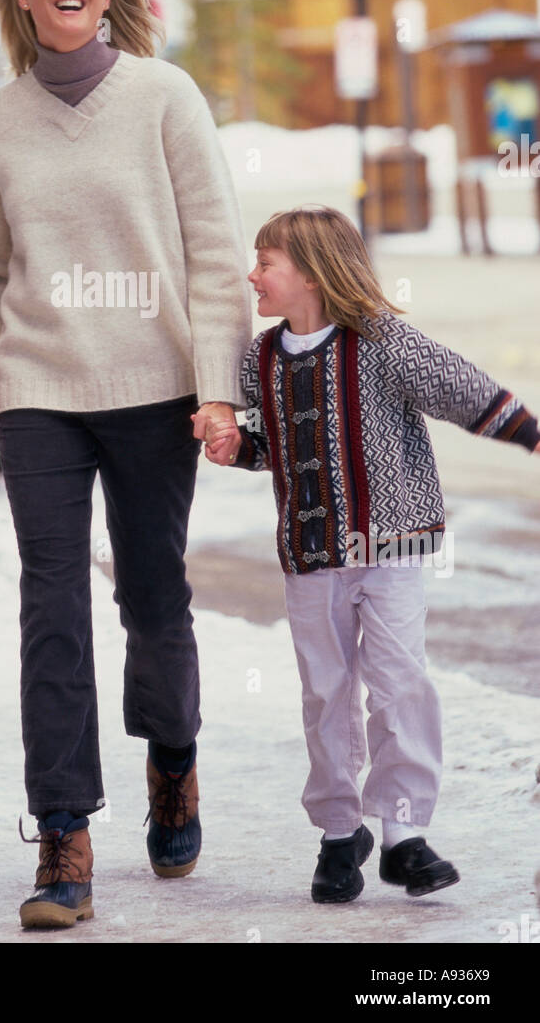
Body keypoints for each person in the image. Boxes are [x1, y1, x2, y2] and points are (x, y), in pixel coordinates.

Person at [0, 0, 252, 929]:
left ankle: (173, 760)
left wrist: (218, 386)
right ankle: (64, 833)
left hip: (157, 389)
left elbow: (214, 253)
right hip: (38, 395)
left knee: (154, 597)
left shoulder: (165, 97)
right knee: (51, 607)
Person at [205, 206, 540, 904]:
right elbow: (276, 447)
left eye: (266, 263)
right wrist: (240, 448)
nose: (252, 275)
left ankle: (403, 835)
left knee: (398, 684)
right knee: (326, 693)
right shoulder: (259, 358)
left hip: (391, 544)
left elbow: (461, 388)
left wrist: (531, 434)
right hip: (311, 555)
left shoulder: (381, 342)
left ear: (314, 274)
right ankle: (337, 833)